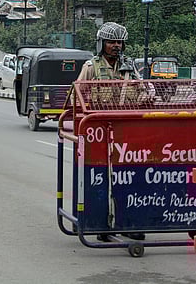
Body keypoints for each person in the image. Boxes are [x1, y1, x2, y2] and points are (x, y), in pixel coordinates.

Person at [75, 21, 144, 242]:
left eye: (119, 42)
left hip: (125, 130)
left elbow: (142, 90)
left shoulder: (130, 67)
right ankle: (101, 224)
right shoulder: (91, 67)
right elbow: (77, 94)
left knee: (128, 179)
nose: (116, 46)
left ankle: (127, 224)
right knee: (100, 180)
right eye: (111, 42)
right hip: (98, 131)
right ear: (101, 43)